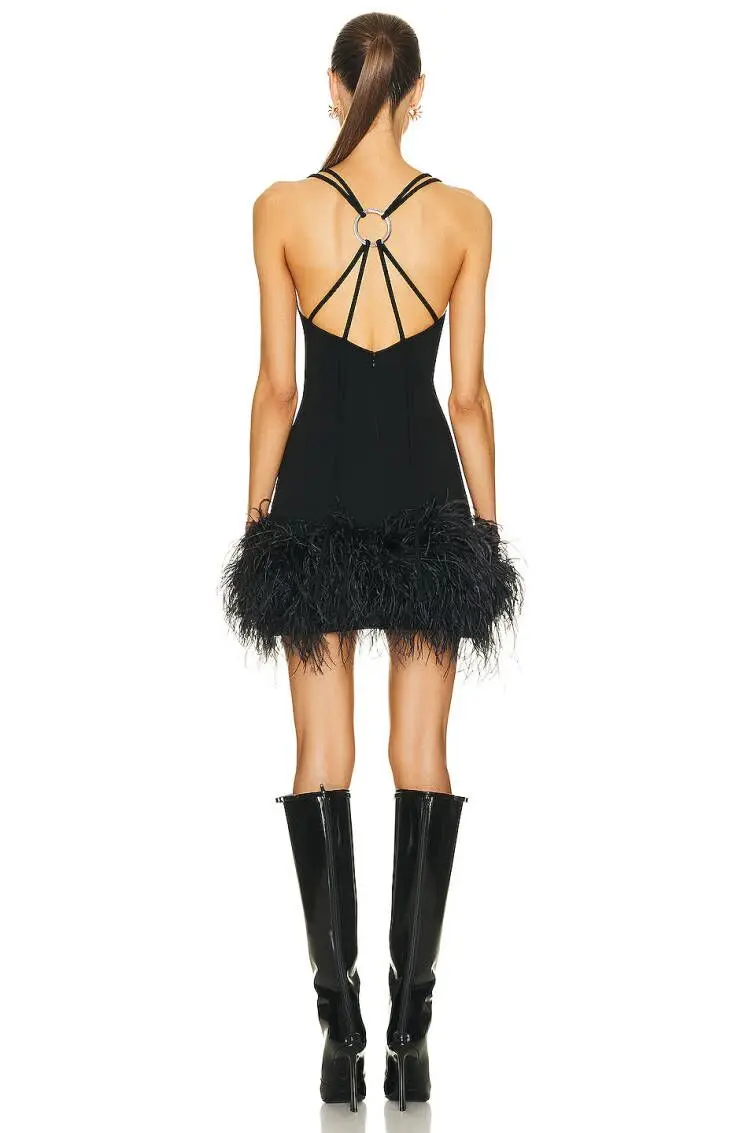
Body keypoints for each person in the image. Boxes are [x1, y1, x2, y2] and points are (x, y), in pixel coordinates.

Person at [220, 12, 523, 1112]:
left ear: (334, 85)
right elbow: (468, 397)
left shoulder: (280, 209)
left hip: (316, 495)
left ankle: (339, 1033)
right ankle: (413, 1037)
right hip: (429, 498)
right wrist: (484, 532)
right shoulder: (465, 216)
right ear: (419, 92)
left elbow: (277, 387)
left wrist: (259, 520)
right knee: (422, 754)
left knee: (321, 754)